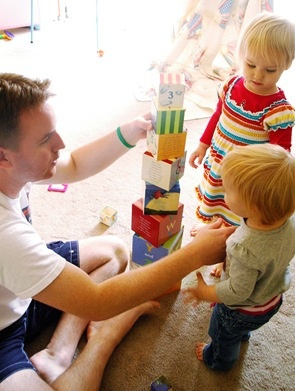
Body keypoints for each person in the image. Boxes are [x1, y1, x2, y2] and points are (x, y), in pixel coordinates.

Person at [0, 73, 236, 390]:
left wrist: (130, 131)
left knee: (114, 252)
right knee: (101, 305)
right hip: (2, 331)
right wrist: (197, 253)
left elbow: (74, 164)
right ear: (3, 156)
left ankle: (58, 354)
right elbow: (97, 302)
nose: (60, 144)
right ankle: (103, 339)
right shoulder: (6, 236)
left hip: (18, 288)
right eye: (45, 139)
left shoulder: (14, 166)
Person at [188, 12, 295, 276]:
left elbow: (279, 156)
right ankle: (212, 228)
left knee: (238, 214)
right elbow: (218, 115)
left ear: (287, 65)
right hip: (220, 161)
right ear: (240, 56)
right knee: (216, 200)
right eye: (251, 65)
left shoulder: (278, 111)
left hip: (247, 178)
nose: (258, 75)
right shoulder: (231, 85)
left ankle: (226, 254)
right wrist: (202, 144)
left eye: (270, 70)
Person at [183, 143, 295, 371]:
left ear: (253, 206)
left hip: (241, 309)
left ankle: (217, 360)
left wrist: (206, 293)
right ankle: (243, 333)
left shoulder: (242, 247)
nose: (223, 193)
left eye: (228, 190)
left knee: (222, 335)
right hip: (271, 298)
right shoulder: (289, 224)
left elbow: (238, 292)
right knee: (240, 330)